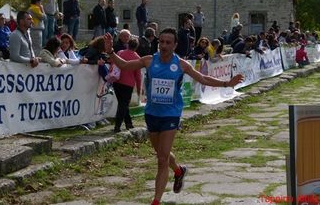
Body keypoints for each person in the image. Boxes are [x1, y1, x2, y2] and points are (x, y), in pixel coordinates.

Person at [103, 29, 243, 205]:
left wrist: (226, 84)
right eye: (161, 42)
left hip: (171, 114)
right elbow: (123, 65)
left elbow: (203, 79)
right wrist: (110, 51)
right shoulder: (148, 60)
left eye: (168, 42)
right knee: (162, 153)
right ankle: (178, 170)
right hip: (152, 114)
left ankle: (156, 201)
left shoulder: (182, 65)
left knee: (162, 159)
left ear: (175, 45)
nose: (164, 45)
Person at [113, 38, 142, 133]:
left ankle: (128, 123)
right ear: (137, 47)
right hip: (128, 84)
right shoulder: (137, 58)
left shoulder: (120, 52)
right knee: (123, 105)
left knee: (122, 104)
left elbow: (113, 63)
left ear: (127, 44)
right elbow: (138, 76)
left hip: (117, 81)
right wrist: (139, 88)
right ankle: (117, 126)